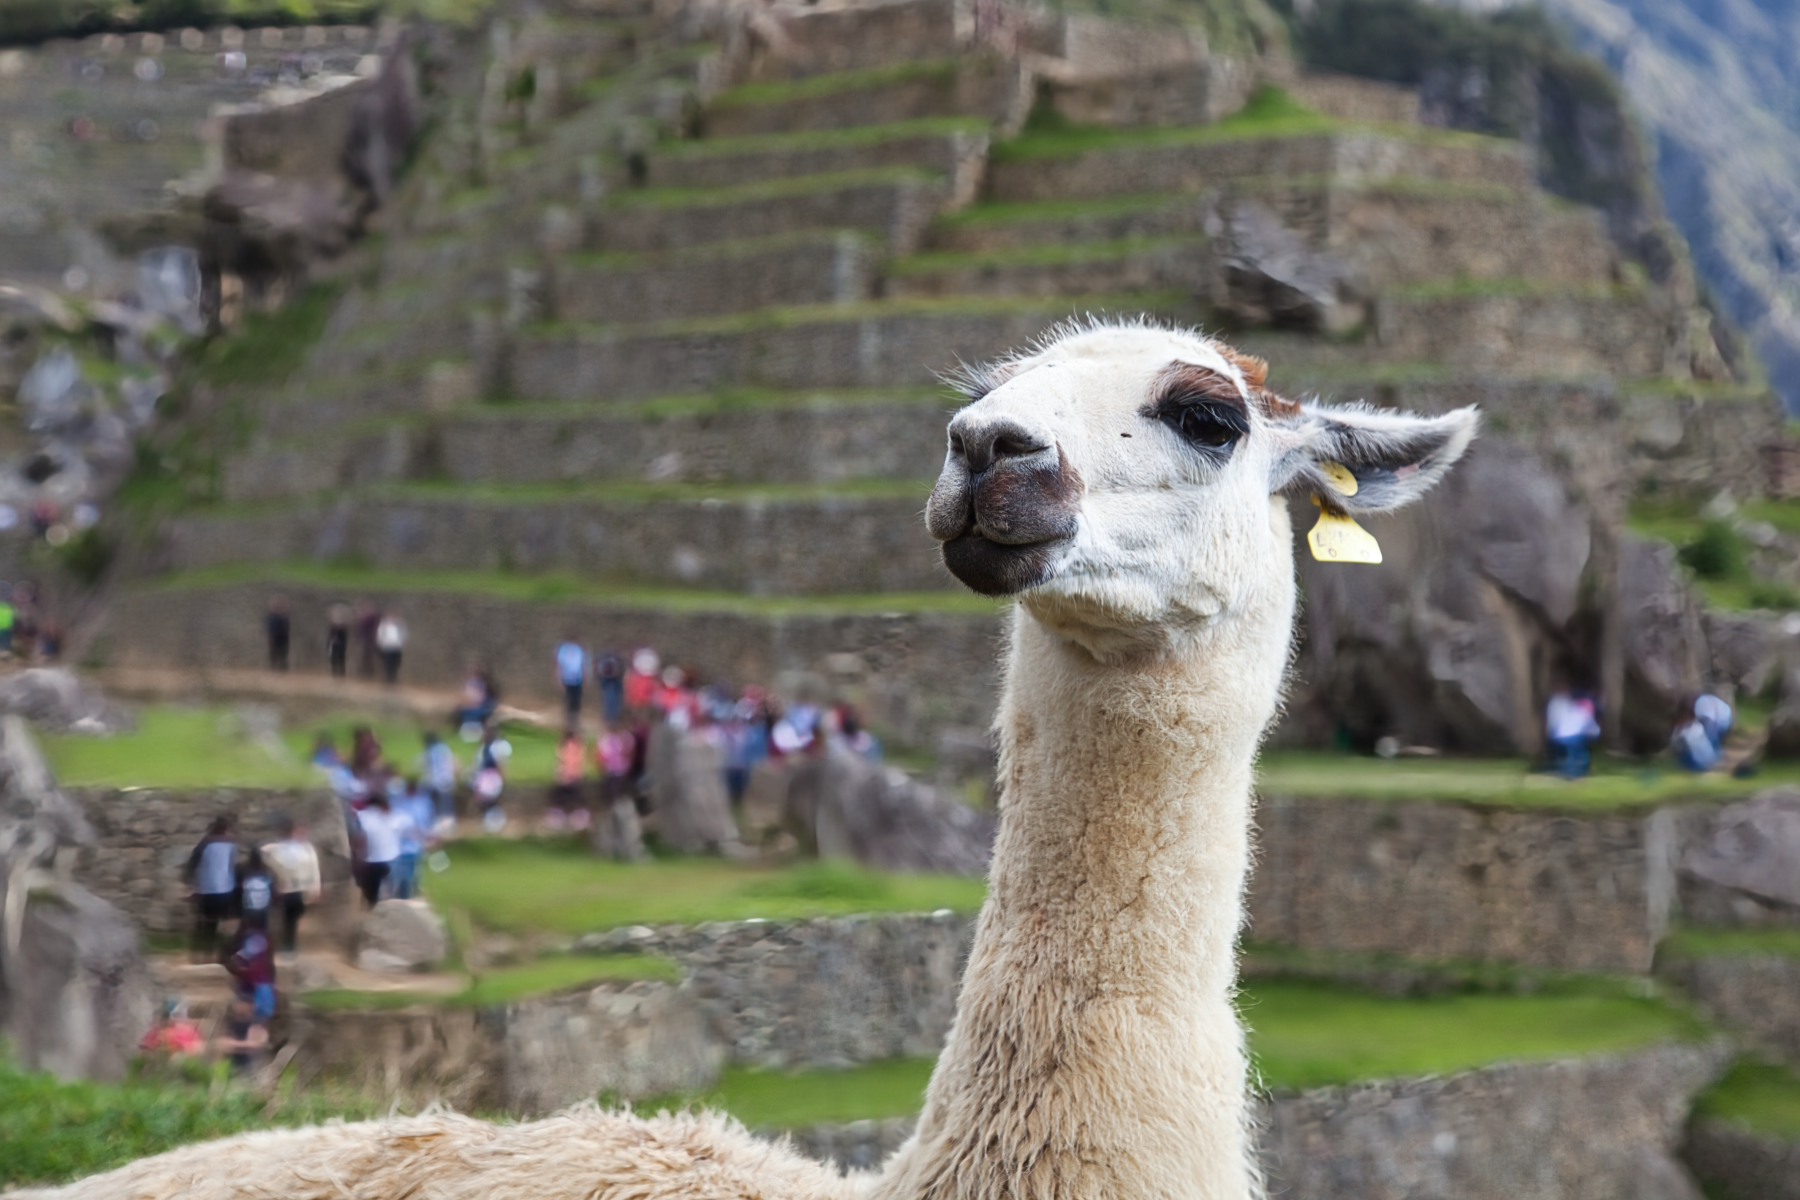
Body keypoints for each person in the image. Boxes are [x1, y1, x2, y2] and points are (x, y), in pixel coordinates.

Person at [261, 817, 321, 956]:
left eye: (303, 831)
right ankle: (289, 944)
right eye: (298, 831)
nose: (301, 834)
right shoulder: (283, 846)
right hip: (288, 888)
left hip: (303, 887)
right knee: (289, 917)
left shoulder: (308, 849)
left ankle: (290, 943)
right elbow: (267, 855)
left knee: (295, 916)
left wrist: (316, 888)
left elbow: (314, 869)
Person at [184, 817, 238, 961]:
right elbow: (231, 865)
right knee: (221, 923)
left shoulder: (204, 843)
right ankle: (218, 953)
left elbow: (193, 864)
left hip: (205, 889)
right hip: (225, 889)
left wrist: (189, 883)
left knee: (203, 922)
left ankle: (198, 952)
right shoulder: (231, 844)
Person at [225, 911, 277, 1025]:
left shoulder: (253, 938)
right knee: (260, 1016)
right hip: (258, 981)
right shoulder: (262, 938)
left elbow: (237, 959)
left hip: (253, 981)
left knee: (250, 1015)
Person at [391, 778, 434, 898]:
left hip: (417, 844)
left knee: (416, 873)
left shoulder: (424, 801)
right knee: (402, 875)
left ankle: (412, 894)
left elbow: (428, 821)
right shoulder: (397, 801)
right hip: (400, 845)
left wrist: (428, 836)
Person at [1544, 688, 1600, 779]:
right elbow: (1590, 726)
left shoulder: (1574, 709)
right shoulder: (1584, 712)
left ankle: (1568, 771)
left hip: (1561, 735)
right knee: (1579, 755)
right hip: (1572, 735)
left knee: (1571, 755)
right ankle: (1574, 773)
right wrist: (1595, 733)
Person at [356, 795, 401, 906]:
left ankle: (369, 908)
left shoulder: (362, 816)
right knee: (388, 894)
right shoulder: (389, 816)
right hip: (388, 859)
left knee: (370, 894)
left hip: (369, 861)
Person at [471, 722, 512, 832]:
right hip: (484, 776)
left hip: (492, 776)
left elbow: (500, 764)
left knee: (491, 800)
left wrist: (502, 777)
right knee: (484, 800)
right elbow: (478, 762)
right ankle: (488, 820)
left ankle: (494, 821)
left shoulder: (498, 746)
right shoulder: (483, 747)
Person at [214, 992, 269, 1074]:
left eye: (243, 1004)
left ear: (250, 1006)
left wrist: (234, 1045)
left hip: (250, 1065)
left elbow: (256, 1044)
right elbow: (221, 1043)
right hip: (231, 1063)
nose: (240, 1007)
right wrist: (243, 1045)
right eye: (239, 1004)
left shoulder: (256, 1023)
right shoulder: (230, 1022)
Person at [139, 998, 204, 1060]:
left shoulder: (187, 1030)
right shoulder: (155, 1031)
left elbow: (198, 1048)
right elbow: (145, 1049)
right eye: (165, 1016)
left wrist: (182, 1053)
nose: (169, 1019)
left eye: (175, 1015)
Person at [549, 728, 586, 830]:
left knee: (577, 795)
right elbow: (560, 761)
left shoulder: (577, 746)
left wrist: (575, 773)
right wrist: (561, 773)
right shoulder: (563, 746)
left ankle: (578, 816)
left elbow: (579, 762)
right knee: (559, 795)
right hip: (565, 776)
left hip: (574, 775)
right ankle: (558, 816)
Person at [420, 731, 458, 828]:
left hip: (439, 777)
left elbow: (430, 765)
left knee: (440, 799)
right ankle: (447, 818)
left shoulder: (432, 749)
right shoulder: (444, 747)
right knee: (445, 799)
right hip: (446, 777)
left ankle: (444, 819)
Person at [556, 636, 587, 724]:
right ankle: (568, 721)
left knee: (576, 702)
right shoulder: (564, 649)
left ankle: (574, 721)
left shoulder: (578, 650)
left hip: (577, 680)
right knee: (568, 701)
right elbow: (560, 666)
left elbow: (582, 665)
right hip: (567, 680)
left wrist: (584, 679)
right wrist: (560, 679)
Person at [377, 610, 406, 684]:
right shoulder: (384, 625)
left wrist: (400, 643)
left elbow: (403, 635)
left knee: (396, 664)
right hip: (387, 647)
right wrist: (382, 644)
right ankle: (388, 679)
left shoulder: (400, 625)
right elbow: (380, 635)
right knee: (388, 664)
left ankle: (393, 678)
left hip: (396, 647)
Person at [596, 652, 624, 725]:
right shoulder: (616, 660)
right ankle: (612, 719)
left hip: (608, 681)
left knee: (608, 700)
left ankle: (609, 718)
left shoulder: (603, 659)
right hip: (613, 681)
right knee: (613, 701)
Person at [265, 595, 291, 671]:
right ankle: (274, 666)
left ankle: (282, 667)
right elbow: (269, 627)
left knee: (283, 652)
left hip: (283, 636)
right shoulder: (272, 616)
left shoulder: (284, 616)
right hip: (274, 636)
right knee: (274, 652)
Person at [355, 600, 379, 678]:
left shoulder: (371, 619)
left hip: (370, 641)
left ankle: (368, 673)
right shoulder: (364, 619)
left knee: (368, 658)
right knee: (364, 657)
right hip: (365, 640)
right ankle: (364, 673)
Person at [326, 603, 351, 678]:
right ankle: (335, 674)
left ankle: (341, 674)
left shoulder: (343, 627)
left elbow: (343, 636)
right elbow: (330, 636)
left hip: (340, 644)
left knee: (341, 659)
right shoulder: (332, 626)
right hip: (333, 644)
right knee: (333, 659)